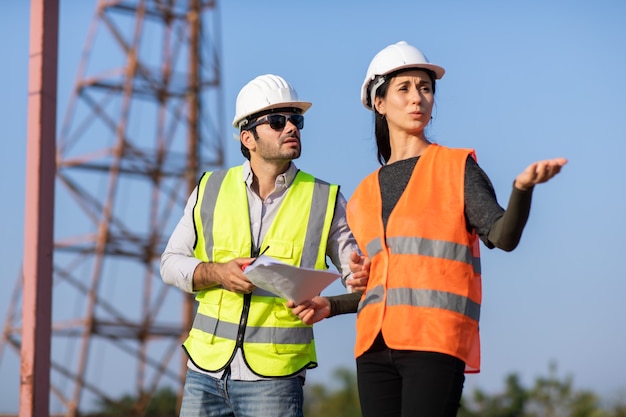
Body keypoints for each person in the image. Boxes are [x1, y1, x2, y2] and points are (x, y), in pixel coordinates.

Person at [290, 41, 567, 417]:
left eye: (425, 87)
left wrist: (522, 189)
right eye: (404, 88)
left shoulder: (456, 168)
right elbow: (382, 290)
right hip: (373, 349)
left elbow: (504, 237)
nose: (418, 97)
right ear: (379, 102)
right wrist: (330, 304)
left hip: (436, 341)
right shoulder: (362, 197)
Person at [160, 74, 366, 417]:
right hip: (204, 373)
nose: (291, 128)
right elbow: (169, 263)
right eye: (276, 121)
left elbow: (360, 281)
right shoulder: (210, 188)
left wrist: (338, 297)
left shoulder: (325, 199)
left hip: (276, 379)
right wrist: (216, 273)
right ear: (247, 137)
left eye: (295, 120)